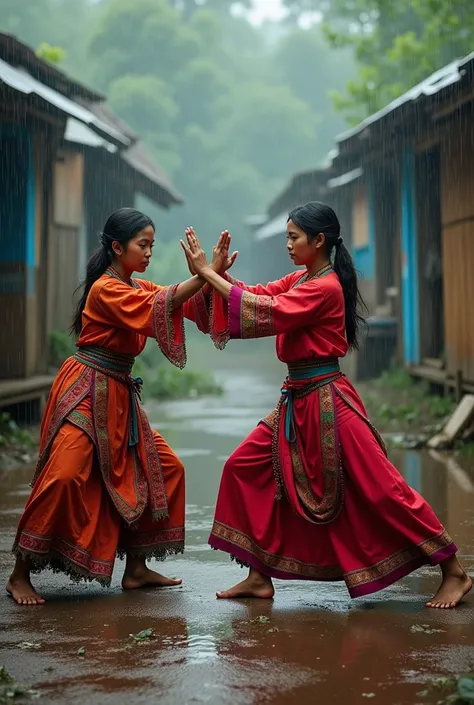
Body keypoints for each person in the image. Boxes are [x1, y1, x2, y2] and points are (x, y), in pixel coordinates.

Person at [180, 203, 472, 609]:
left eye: (293, 237)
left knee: (385, 490)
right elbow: (260, 296)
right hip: (296, 399)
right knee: (242, 467)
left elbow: (272, 311)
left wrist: (209, 275)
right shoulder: (303, 277)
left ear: (319, 241)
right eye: (286, 236)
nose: (287, 244)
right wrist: (217, 276)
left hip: (330, 402)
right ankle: (258, 575)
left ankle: (454, 571)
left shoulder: (326, 286)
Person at [7, 208, 232, 605]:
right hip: (84, 390)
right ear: (116, 247)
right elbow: (161, 304)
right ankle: (20, 572)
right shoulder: (105, 289)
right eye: (142, 245)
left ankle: (137, 568)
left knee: (165, 470)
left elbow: (172, 301)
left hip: (119, 395)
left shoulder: (133, 285)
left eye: (152, 245)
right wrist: (203, 274)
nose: (148, 253)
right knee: (63, 476)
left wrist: (211, 277)